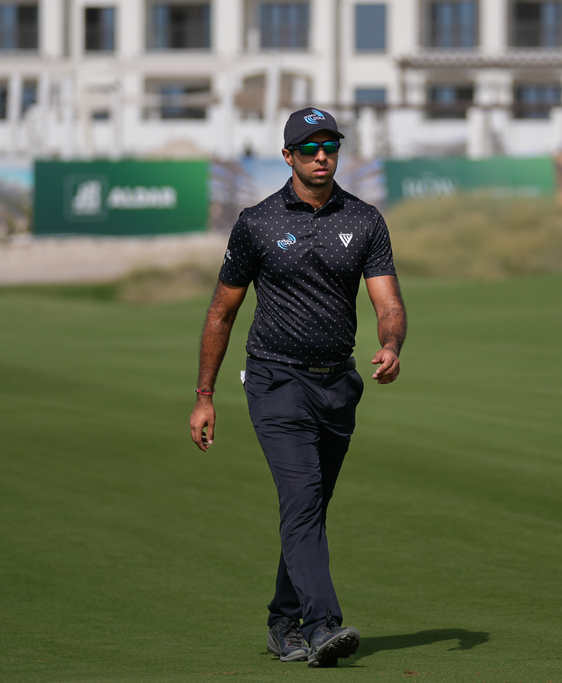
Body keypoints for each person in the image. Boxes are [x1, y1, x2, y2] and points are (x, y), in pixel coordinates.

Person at [189, 107, 407, 667]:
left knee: (310, 506)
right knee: (303, 498)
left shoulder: (364, 220)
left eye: (330, 146)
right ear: (288, 156)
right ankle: (322, 625)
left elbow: (388, 301)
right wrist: (205, 396)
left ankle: (282, 622)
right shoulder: (257, 222)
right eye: (309, 148)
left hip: (338, 385)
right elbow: (221, 312)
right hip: (276, 380)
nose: (321, 156)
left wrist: (391, 344)